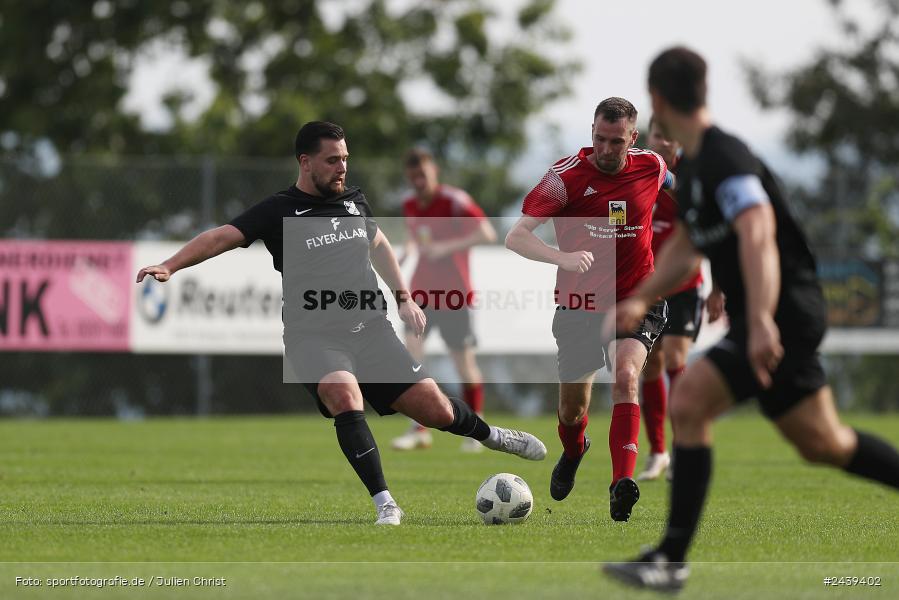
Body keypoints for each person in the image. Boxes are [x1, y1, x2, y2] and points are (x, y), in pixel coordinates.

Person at [135, 121, 547, 527]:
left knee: (436, 410)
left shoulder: (354, 201)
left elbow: (379, 245)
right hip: (313, 337)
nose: (342, 167)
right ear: (305, 162)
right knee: (344, 395)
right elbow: (220, 236)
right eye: (332, 160)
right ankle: (386, 504)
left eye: (345, 158)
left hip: (371, 331)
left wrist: (403, 298)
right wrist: (170, 264)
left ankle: (493, 436)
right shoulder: (279, 209)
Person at [603, 47, 899, 592]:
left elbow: (758, 230)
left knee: (689, 403)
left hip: (782, 315)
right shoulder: (692, 168)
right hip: (776, 316)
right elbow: (687, 247)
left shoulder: (724, 158)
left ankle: (670, 560)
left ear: (657, 99)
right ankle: (670, 560)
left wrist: (761, 320)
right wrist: (641, 298)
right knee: (824, 443)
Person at [506, 97, 674, 522]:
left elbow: (677, 184)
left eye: (616, 141)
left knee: (626, 377)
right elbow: (516, 236)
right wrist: (561, 258)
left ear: (632, 139)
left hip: (636, 298)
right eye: (599, 138)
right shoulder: (564, 178)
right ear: (592, 132)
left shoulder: (651, 166)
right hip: (579, 304)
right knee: (572, 411)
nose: (605, 149)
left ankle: (621, 483)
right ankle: (574, 449)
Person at [391, 148, 498, 452]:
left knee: (463, 364)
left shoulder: (454, 201)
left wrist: (447, 247)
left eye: (423, 175)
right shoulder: (410, 204)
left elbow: (487, 233)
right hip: (421, 294)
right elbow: (415, 235)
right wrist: (406, 252)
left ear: (434, 171)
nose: (419, 182)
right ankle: (419, 429)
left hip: (454, 296)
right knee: (411, 360)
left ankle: (477, 429)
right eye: (413, 177)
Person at [636, 117, 725, 482]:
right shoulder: (638, 175)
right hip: (646, 288)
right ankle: (659, 452)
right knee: (650, 366)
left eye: (670, 137)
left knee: (675, 358)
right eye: (659, 135)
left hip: (686, 287)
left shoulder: (691, 179)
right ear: (649, 138)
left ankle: (682, 445)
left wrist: (718, 288)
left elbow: (714, 231)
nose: (665, 142)